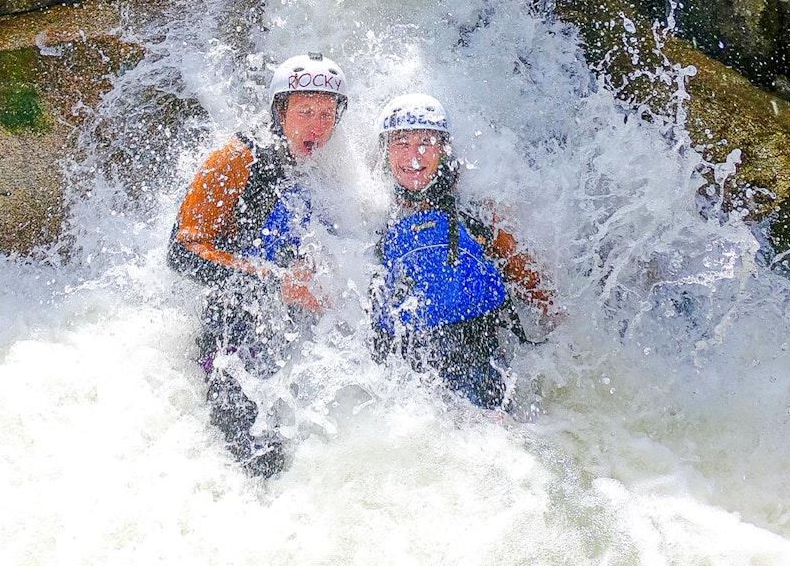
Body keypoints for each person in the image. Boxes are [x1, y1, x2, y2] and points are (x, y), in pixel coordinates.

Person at [168, 52, 348, 477]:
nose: (318, 127)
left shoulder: (323, 171)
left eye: (327, 114)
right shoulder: (236, 160)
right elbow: (181, 251)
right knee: (260, 468)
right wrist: (275, 283)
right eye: (305, 112)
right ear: (279, 111)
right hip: (231, 343)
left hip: (293, 343)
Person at [369, 93, 557, 409]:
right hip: (398, 377)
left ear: (444, 151)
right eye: (401, 144)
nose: (414, 157)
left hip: (479, 364)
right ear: (385, 152)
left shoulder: (479, 217)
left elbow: (538, 291)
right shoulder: (369, 223)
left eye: (426, 143)